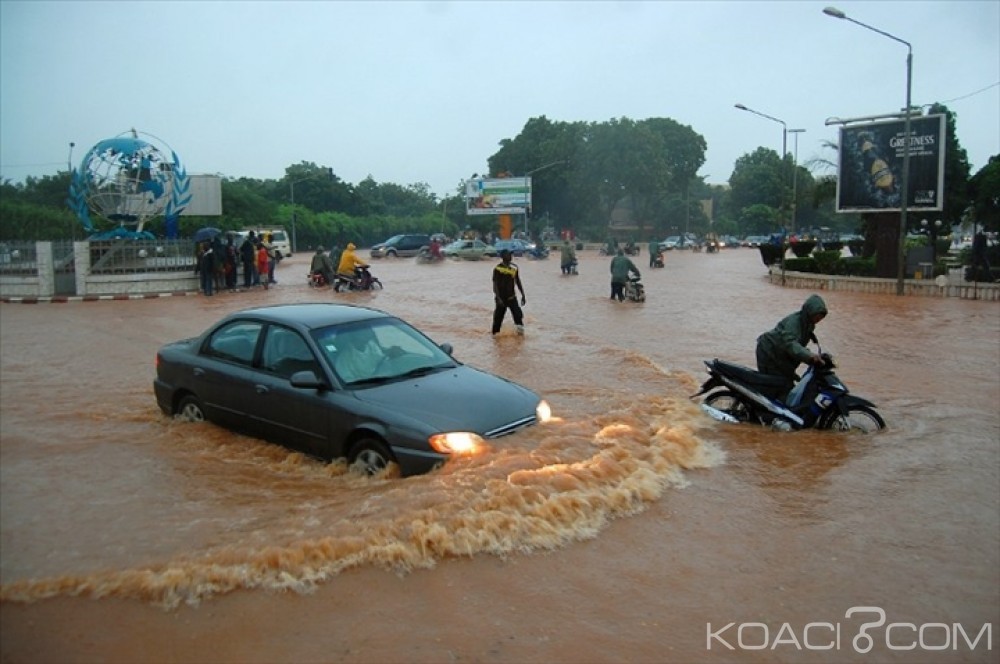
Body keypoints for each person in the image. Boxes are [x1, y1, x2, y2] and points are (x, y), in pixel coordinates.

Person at [755, 294, 828, 395]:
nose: (818, 319)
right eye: (817, 315)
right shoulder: (794, 322)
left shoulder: (808, 325)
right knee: (775, 385)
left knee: (787, 385)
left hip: (780, 357)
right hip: (768, 352)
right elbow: (790, 343)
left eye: (821, 317)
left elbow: (798, 348)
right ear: (810, 312)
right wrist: (809, 355)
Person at [492, 249, 526, 335]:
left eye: (511, 255)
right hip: (501, 299)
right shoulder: (498, 269)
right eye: (508, 255)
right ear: (503, 257)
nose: (510, 256)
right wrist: (498, 298)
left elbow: (518, 281)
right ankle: (495, 337)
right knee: (498, 320)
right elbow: (495, 285)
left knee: (518, 316)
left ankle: (520, 337)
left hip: (512, 297)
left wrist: (523, 295)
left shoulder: (514, 268)